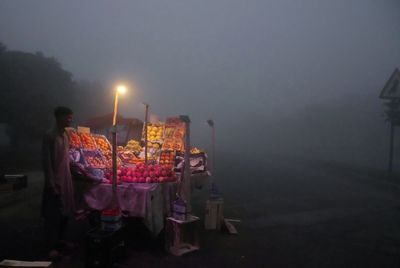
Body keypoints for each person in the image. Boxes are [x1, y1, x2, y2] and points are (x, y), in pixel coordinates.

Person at [41, 106, 76, 260]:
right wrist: (51, 184)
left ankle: (61, 241)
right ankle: (50, 248)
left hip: (66, 178)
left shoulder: (66, 135)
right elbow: (46, 162)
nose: (70, 119)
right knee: (53, 215)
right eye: (67, 117)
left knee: (65, 212)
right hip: (55, 181)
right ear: (58, 117)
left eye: (71, 117)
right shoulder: (50, 136)